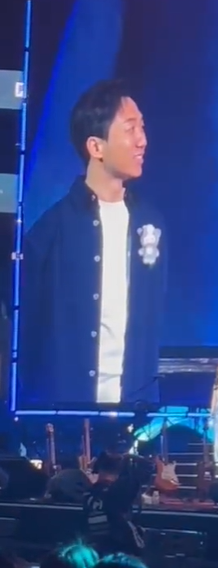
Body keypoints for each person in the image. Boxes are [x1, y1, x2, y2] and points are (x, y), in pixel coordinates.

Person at [19, 79, 165, 406]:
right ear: (96, 147)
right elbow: (26, 323)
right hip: (66, 414)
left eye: (142, 127)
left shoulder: (150, 224)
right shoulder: (52, 229)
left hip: (134, 412)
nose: (142, 140)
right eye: (130, 128)